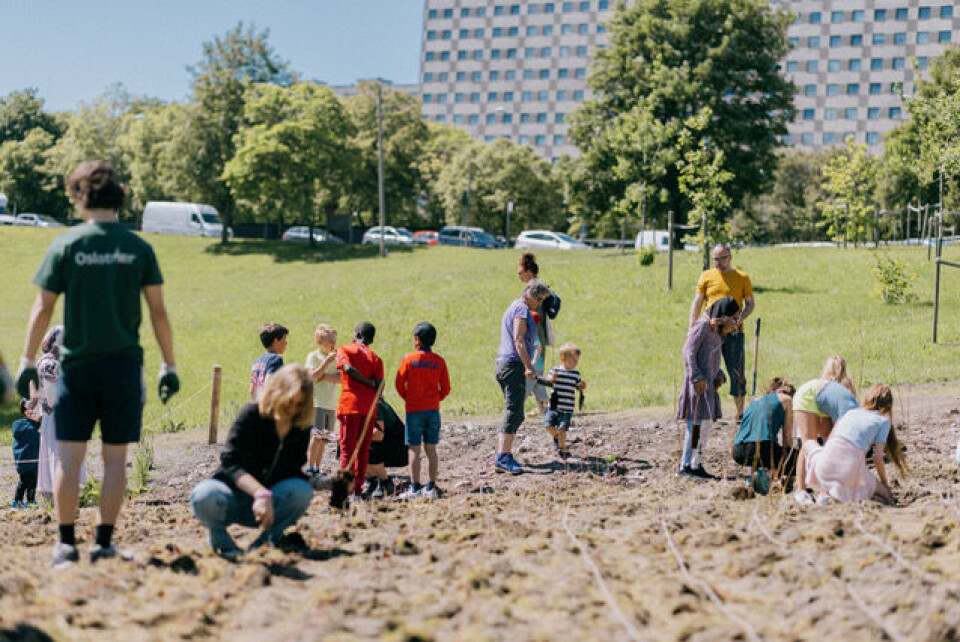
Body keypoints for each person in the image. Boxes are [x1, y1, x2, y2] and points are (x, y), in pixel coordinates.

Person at [15, 160, 179, 567]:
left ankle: (66, 546)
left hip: (78, 369)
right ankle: (104, 542)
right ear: (120, 197)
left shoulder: (67, 245)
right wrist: (169, 366)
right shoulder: (138, 247)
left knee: (69, 459)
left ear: (79, 195)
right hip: (124, 368)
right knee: (113, 460)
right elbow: (158, 313)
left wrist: (27, 359)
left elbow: (42, 307)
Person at [190, 365, 314, 560]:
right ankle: (222, 543)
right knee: (204, 494)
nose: (292, 409)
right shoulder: (251, 415)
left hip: (270, 509)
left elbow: (294, 473)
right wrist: (259, 492)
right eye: (289, 401)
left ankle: (266, 542)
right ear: (277, 392)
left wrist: (328, 483)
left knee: (302, 492)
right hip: (230, 498)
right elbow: (230, 462)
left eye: (299, 405)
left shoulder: (300, 428)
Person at [803, 383, 905, 504]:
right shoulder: (883, 422)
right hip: (848, 471)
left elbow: (830, 440)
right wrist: (884, 482)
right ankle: (890, 502)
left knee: (808, 444)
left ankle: (823, 492)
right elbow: (877, 458)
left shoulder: (850, 413)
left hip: (823, 468)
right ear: (888, 406)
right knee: (879, 489)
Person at [688, 243, 755, 421]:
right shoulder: (707, 276)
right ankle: (705, 410)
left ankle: (740, 413)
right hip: (710, 332)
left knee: (737, 371)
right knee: (708, 369)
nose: (719, 262)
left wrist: (736, 320)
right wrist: (692, 326)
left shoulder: (742, 277)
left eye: (723, 258)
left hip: (733, 331)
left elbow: (750, 304)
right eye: (716, 259)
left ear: (730, 257)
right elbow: (697, 302)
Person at [677, 296, 740, 480]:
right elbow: (688, 352)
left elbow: (711, 356)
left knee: (706, 425)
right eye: (733, 318)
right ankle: (686, 465)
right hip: (698, 386)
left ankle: (697, 463)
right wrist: (696, 375)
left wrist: (719, 373)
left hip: (709, 387)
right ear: (723, 315)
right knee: (695, 425)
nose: (734, 322)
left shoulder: (717, 332)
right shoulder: (702, 326)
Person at [495, 279, 552, 474]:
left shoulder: (515, 306)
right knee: (514, 411)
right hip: (513, 365)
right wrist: (529, 366)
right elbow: (519, 340)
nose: (539, 304)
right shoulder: (521, 310)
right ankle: (503, 457)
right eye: (539, 299)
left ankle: (504, 454)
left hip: (506, 364)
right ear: (532, 296)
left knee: (515, 410)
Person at [395, 322, 451, 500]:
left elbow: (398, 384)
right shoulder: (439, 361)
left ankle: (415, 487)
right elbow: (447, 388)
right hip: (433, 411)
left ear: (416, 339)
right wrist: (436, 399)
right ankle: (432, 487)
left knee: (414, 449)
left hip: (413, 411)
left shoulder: (408, 359)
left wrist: (408, 398)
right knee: (431, 449)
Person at [794, 356, 860, 498]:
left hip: (822, 404)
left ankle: (825, 490)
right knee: (809, 442)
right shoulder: (843, 387)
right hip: (808, 398)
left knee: (828, 444)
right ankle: (801, 490)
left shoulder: (841, 387)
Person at [35, 325, 87, 501]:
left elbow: (50, 397)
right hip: (66, 415)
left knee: (60, 453)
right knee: (63, 453)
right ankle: (65, 494)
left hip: (60, 416)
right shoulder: (56, 364)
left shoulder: (52, 364)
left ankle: (64, 494)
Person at [336, 322, 384, 499]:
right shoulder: (376, 358)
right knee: (363, 451)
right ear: (371, 339)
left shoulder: (344, 349)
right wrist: (371, 383)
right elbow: (380, 385)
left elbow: (347, 368)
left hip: (350, 406)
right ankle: (357, 491)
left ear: (356, 333)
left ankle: (345, 491)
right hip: (369, 408)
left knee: (347, 450)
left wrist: (364, 381)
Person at [732, 378, 797, 493]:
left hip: (738, 450)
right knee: (797, 457)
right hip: (761, 448)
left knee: (765, 450)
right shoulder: (787, 400)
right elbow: (787, 437)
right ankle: (769, 477)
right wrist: (790, 469)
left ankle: (754, 477)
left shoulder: (756, 401)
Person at [304, 324, 339, 475]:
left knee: (324, 438)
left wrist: (323, 376)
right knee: (316, 436)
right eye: (330, 341)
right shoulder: (313, 357)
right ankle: (310, 467)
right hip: (317, 403)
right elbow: (311, 377)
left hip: (330, 403)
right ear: (319, 341)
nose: (333, 344)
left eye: (334, 340)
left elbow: (341, 378)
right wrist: (325, 364)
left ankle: (317, 467)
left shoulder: (336, 357)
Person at [543, 342, 587, 459]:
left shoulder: (575, 374)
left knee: (563, 428)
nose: (576, 363)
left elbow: (578, 386)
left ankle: (563, 450)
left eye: (577, 361)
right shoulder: (555, 370)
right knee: (547, 424)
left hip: (567, 408)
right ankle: (556, 436)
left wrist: (582, 386)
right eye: (573, 360)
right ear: (563, 358)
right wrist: (552, 379)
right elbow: (548, 382)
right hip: (553, 406)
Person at [364, 398, 408, 499]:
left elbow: (378, 435)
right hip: (387, 442)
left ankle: (385, 482)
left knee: (369, 448)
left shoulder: (376, 404)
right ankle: (373, 481)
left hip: (397, 448)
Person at [12, 399, 41, 508]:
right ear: (27, 413)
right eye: (35, 411)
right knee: (32, 483)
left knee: (23, 482)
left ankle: (17, 501)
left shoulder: (23, 427)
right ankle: (30, 502)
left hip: (22, 461)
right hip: (30, 461)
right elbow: (38, 441)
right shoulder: (29, 429)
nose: (38, 412)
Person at [250, 323, 288, 401]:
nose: (286, 342)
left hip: (257, 405)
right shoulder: (276, 359)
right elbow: (269, 384)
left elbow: (252, 390)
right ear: (276, 341)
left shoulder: (257, 362)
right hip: (268, 406)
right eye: (284, 339)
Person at [524, 311, 549, 415]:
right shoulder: (533, 333)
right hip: (539, 366)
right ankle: (544, 409)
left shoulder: (530, 334)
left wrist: (533, 361)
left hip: (534, 366)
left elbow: (539, 348)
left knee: (526, 388)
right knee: (538, 388)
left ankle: (515, 409)